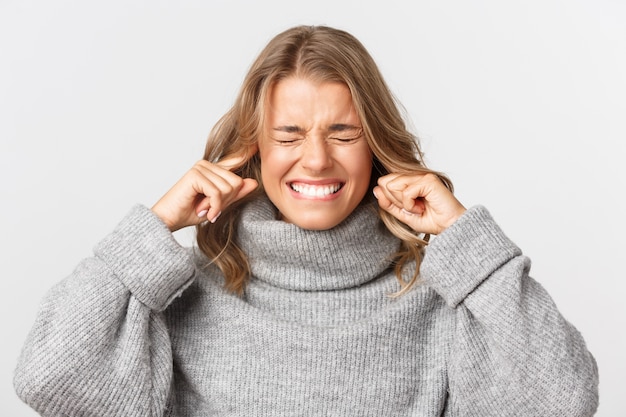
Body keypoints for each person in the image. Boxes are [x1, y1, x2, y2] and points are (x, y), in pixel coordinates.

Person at [14, 25, 598, 416]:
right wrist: (154, 228)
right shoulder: (178, 290)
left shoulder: (444, 293)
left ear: (375, 146)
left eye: (342, 133)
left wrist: (470, 244)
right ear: (254, 149)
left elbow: (564, 401)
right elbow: (49, 380)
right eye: (288, 134)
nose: (316, 159)